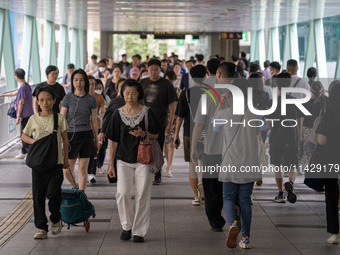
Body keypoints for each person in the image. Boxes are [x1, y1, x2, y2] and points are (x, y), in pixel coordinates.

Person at [105, 79, 159, 242]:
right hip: (123, 159)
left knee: (143, 195)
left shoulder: (148, 112)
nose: (130, 96)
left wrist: (145, 134)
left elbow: (157, 135)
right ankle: (126, 226)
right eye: (127, 93)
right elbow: (113, 140)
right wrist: (111, 164)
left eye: (133, 93)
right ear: (122, 94)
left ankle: (138, 231)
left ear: (139, 94)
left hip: (144, 159)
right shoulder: (117, 113)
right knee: (122, 194)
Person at [213, 78, 262, 249]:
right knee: (245, 200)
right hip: (249, 161)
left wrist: (222, 103)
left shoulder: (224, 114)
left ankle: (233, 223)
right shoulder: (254, 112)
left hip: (230, 162)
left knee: (228, 197)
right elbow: (263, 130)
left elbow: (214, 127)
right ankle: (246, 239)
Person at [191, 63, 237, 232]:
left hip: (212, 149)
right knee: (232, 185)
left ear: (218, 74)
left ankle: (216, 221)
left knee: (211, 188)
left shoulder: (207, 96)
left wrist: (194, 147)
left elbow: (198, 125)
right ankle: (235, 216)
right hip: (233, 149)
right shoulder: (238, 96)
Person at [21, 85, 69, 239]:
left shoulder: (59, 118)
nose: (45, 102)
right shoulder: (33, 119)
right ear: (37, 101)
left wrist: (66, 159)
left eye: (48, 99)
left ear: (54, 100)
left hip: (55, 163)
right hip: (38, 164)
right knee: (38, 196)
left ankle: (56, 218)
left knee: (53, 193)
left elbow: (65, 140)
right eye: (41, 100)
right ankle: (42, 228)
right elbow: (24, 136)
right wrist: (34, 141)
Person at [140, 58, 177, 185]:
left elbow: (173, 104)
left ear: (160, 70)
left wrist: (170, 121)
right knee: (143, 146)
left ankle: (157, 174)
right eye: (151, 69)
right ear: (148, 70)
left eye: (156, 69)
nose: (154, 72)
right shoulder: (142, 82)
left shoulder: (166, 84)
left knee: (158, 148)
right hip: (143, 121)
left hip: (160, 121)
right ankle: (144, 172)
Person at [267, 72, 303, 203]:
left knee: (277, 165)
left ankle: (280, 194)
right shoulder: (295, 100)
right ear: (289, 84)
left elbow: (269, 122)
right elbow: (299, 120)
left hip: (277, 134)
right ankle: (291, 184)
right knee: (293, 163)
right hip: (291, 134)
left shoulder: (272, 102)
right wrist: (299, 136)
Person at [60, 69, 98, 191]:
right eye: (76, 80)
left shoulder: (91, 99)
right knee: (66, 169)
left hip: (86, 135)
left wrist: (96, 139)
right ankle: (74, 185)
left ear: (85, 82)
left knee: (83, 168)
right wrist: (61, 138)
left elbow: (94, 121)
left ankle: (82, 195)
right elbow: (62, 119)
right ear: (72, 82)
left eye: (81, 80)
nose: (78, 83)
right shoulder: (67, 98)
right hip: (70, 135)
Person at [174, 65, 207, 205]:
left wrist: (176, 135)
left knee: (192, 166)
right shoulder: (210, 93)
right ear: (205, 76)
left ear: (192, 77)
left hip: (189, 133)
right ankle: (205, 194)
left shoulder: (185, 94)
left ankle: (195, 197)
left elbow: (180, 117)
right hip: (207, 134)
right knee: (205, 166)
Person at [317, 80, 340, 244]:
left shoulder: (329, 114)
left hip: (332, 158)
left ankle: (334, 234)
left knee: (331, 196)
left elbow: (322, 140)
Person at [0, 68, 34, 159]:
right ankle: (24, 152)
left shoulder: (23, 87)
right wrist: (2, 95)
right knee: (25, 134)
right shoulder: (26, 85)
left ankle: (29, 153)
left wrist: (18, 116)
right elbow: (15, 93)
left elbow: (21, 102)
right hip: (28, 114)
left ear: (16, 77)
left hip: (25, 115)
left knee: (25, 135)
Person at [87, 76, 105, 183]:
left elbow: (103, 111)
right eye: (89, 84)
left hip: (96, 127)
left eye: (93, 84)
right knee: (85, 151)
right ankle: (85, 171)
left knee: (94, 150)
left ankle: (92, 173)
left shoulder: (99, 97)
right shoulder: (81, 97)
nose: (91, 86)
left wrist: (97, 115)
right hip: (83, 128)